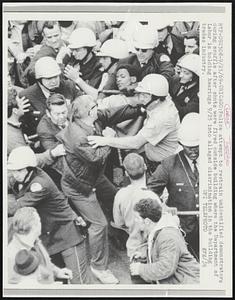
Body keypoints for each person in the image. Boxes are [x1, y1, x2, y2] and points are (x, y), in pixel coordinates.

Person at [55, 95, 145, 283]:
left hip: (94, 177)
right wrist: (109, 139)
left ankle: (120, 233)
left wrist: (137, 105)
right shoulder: (78, 136)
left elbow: (111, 112)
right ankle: (98, 267)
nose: (99, 108)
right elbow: (96, 157)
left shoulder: (90, 121)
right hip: (80, 186)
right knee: (99, 224)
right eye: (96, 106)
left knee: (115, 197)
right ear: (89, 112)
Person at [7, 146, 91, 284]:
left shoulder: (40, 184)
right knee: (55, 279)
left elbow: (16, 208)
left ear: (30, 168)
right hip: (49, 236)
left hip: (68, 235)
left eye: (19, 170)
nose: (15, 174)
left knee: (79, 283)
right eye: (13, 171)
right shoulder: (22, 177)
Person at [88, 74, 180, 176]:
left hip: (163, 166)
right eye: (141, 94)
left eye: (145, 96)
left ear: (157, 99)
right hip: (154, 157)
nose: (141, 98)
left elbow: (136, 143)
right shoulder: (160, 100)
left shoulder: (162, 118)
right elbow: (129, 107)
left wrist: (106, 140)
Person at [147, 113, 200, 260]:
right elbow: (150, 192)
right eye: (189, 147)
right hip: (182, 229)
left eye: (197, 147)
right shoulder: (169, 164)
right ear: (181, 145)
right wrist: (162, 208)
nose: (193, 151)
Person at [130, 198, 200, 284]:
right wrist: (146, 256)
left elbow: (165, 268)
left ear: (147, 221)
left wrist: (140, 269)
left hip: (188, 285)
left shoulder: (168, 236)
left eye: (137, 218)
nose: (135, 221)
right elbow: (163, 251)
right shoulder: (158, 230)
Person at [113, 153, 164, 260]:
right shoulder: (152, 197)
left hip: (134, 248)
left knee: (136, 273)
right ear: (145, 167)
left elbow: (118, 223)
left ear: (126, 173)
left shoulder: (120, 194)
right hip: (153, 247)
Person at [19, 56, 82, 137]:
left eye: (56, 77)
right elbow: (24, 126)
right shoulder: (26, 96)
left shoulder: (69, 86)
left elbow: (84, 107)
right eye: (48, 79)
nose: (53, 81)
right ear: (39, 80)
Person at [8, 207, 73, 284]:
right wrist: (49, 288)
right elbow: (17, 288)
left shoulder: (35, 241)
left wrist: (57, 271)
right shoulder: (12, 255)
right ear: (34, 226)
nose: (41, 223)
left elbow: (44, 262)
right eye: (39, 221)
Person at [101, 25, 175, 91]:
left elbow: (166, 77)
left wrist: (137, 86)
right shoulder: (126, 61)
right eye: (137, 49)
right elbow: (111, 83)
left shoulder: (161, 60)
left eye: (144, 50)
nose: (139, 53)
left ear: (153, 49)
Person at [7, 87, 65, 165]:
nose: (22, 102)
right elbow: (27, 162)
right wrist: (52, 153)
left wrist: (32, 145)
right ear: (15, 111)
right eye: (19, 101)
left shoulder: (11, 127)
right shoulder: (12, 137)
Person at [169, 54, 200, 120]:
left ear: (194, 77)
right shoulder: (175, 80)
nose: (181, 75)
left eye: (186, 73)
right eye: (181, 71)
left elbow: (185, 113)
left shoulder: (198, 94)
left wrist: (168, 99)